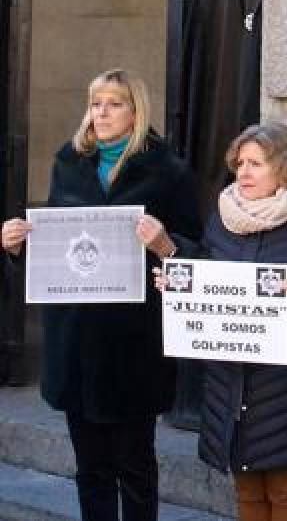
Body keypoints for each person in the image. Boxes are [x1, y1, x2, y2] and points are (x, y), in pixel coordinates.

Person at [1, 69, 201, 521]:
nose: (102, 113)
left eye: (114, 103)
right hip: (75, 338)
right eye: (96, 104)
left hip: (135, 343)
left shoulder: (168, 169)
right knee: (89, 468)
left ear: (136, 111)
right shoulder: (68, 162)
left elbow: (196, 248)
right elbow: (59, 245)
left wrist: (168, 246)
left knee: (134, 466)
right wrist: (19, 246)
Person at [148, 122, 287, 521]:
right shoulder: (223, 218)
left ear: (283, 170)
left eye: (256, 164)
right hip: (230, 379)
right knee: (247, 490)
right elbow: (207, 275)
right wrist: (179, 279)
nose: (244, 173)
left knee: (286, 491)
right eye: (240, 163)